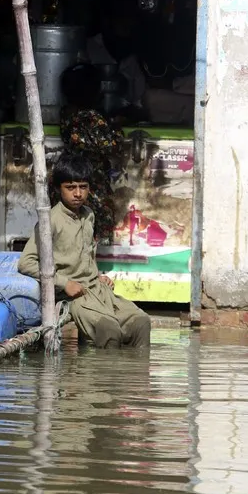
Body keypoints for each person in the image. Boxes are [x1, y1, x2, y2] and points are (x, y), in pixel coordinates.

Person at [18, 153, 151, 349]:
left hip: (98, 290)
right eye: (70, 188)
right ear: (58, 189)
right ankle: (102, 378)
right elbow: (25, 263)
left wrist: (97, 275)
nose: (78, 194)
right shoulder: (50, 221)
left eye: (83, 187)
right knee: (109, 331)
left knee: (141, 323)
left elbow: (87, 253)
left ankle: (133, 378)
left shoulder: (89, 215)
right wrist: (65, 283)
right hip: (73, 297)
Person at [59, 63, 125, 242]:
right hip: (91, 177)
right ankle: (93, 262)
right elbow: (111, 145)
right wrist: (117, 128)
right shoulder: (92, 118)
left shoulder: (67, 113)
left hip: (72, 171)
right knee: (97, 217)